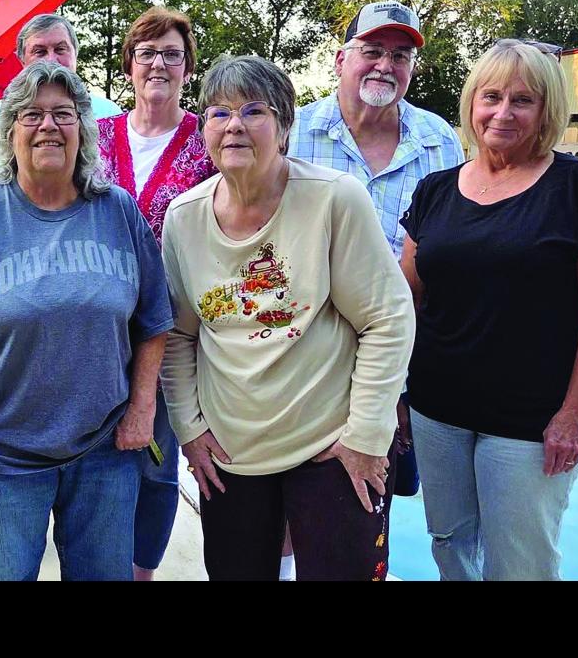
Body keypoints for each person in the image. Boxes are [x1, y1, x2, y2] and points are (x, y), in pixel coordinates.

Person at [0, 61, 173, 581]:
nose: (48, 126)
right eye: (31, 115)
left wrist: (142, 411)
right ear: (9, 133)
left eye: (63, 114)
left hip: (104, 446)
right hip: (5, 456)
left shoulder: (117, 210)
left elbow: (154, 321)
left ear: (83, 128)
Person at [160, 55, 414, 581]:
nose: (233, 125)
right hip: (230, 453)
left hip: (330, 446)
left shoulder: (333, 200)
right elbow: (179, 336)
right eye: (218, 113)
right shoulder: (183, 218)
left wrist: (366, 437)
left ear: (284, 129)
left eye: (253, 111)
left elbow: (387, 319)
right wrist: (189, 429)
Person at [399, 39, 578, 580]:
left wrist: (574, 415)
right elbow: (405, 304)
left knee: (519, 563)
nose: (502, 112)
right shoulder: (435, 191)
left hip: (530, 420)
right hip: (437, 411)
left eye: (522, 100)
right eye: (491, 96)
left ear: (546, 111)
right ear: (472, 104)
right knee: (449, 545)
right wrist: (394, 396)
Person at [288, 0, 464, 578]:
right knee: (287, 525)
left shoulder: (438, 140)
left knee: (371, 522)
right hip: (304, 368)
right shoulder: (295, 131)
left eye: (400, 55)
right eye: (371, 51)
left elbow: (451, 252)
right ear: (341, 58)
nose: (384, 65)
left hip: (401, 371)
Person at [95, 7, 216, 581]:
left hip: (171, 330)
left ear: (188, 68)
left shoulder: (210, 141)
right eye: (146, 53)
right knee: (95, 459)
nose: (159, 64)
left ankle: (141, 574)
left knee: (155, 461)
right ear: (129, 65)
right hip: (95, 328)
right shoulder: (95, 138)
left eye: (172, 54)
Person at [0, 13, 122, 178]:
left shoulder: (109, 113)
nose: (51, 60)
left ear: (75, 53)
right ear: (22, 61)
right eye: (40, 51)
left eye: (60, 49)